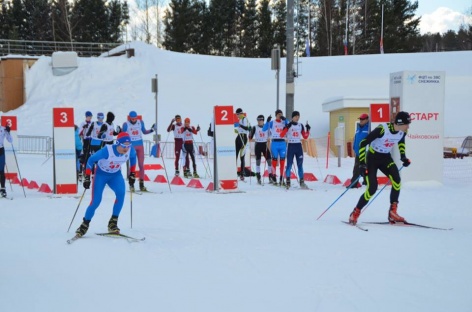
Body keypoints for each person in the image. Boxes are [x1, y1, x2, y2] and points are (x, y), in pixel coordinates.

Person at [348, 111, 412, 225]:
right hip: (372, 158)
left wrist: (403, 157)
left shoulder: (402, 132)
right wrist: (362, 163)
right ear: (400, 123)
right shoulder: (383, 129)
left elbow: (401, 142)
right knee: (372, 189)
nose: (408, 126)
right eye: (407, 124)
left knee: (397, 180)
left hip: (385, 158)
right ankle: (355, 212)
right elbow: (363, 143)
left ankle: (393, 212)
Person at [75, 132, 137, 237]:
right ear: (118, 143)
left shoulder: (130, 150)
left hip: (115, 175)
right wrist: (87, 176)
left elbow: (133, 158)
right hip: (101, 175)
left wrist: (132, 173)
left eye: (128, 145)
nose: (126, 148)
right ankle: (84, 224)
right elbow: (91, 160)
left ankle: (113, 222)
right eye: (123, 146)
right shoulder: (107, 151)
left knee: (121, 193)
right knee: (96, 201)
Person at [122, 111, 156, 192]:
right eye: (132, 119)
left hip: (140, 146)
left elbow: (144, 131)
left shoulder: (140, 122)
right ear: (130, 118)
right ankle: (132, 184)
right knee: (133, 165)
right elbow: (123, 134)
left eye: (135, 118)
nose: (134, 120)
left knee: (141, 165)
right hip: (131, 146)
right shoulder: (126, 124)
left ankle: (141, 185)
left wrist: (152, 129)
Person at [280, 111, 311, 189]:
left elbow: (305, 136)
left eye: (298, 116)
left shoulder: (300, 125)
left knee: (300, 165)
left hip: (298, 146)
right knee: (289, 165)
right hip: (291, 146)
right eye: (296, 116)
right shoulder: (289, 125)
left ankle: (302, 182)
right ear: (292, 117)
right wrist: (287, 127)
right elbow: (281, 135)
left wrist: (308, 130)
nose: (297, 118)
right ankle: (288, 182)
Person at [263, 109, 289, 186]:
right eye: (278, 114)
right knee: (274, 160)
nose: (280, 116)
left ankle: (281, 177)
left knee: (282, 161)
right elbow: (264, 129)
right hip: (274, 143)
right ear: (276, 115)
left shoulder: (284, 122)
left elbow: (289, 126)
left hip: (282, 143)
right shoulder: (272, 123)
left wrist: (286, 120)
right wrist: (267, 121)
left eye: (281, 114)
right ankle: (274, 176)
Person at [249, 115, 273, 184]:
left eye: (260, 120)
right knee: (258, 161)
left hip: (264, 144)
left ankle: (270, 176)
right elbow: (250, 137)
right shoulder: (255, 127)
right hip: (258, 145)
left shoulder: (267, 127)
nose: (259, 122)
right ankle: (258, 176)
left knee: (269, 160)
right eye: (258, 120)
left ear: (263, 121)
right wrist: (250, 132)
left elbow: (270, 135)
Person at [348, 113, 370, 188]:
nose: (361, 120)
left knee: (365, 167)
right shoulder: (358, 128)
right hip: (358, 152)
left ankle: (366, 182)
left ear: (367, 120)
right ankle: (354, 183)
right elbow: (356, 138)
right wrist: (354, 147)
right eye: (360, 119)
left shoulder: (368, 128)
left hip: (365, 152)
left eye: (362, 119)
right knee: (356, 168)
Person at [234, 108, 251, 180]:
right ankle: (233, 172)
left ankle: (242, 173)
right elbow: (239, 129)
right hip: (239, 136)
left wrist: (240, 126)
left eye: (237, 114)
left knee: (242, 156)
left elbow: (247, 128)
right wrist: (236, 130)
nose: (237, 116)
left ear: (240, 113)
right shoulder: (240, 120)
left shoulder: (244, 119)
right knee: (235, 154)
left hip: (243, 137)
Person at [0, 123, 12, 198]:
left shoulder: (3, 129)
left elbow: (10, 140)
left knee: (1, 170)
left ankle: (3, 189)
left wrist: (8, 132)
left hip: (1, 150)